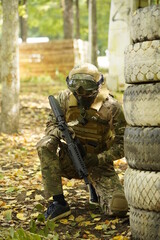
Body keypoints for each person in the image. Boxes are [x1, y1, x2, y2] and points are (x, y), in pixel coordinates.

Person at [37, 63, 128, 220]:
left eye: (86, 85)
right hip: (69, 160)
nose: (80, 91)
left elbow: (124, 145)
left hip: (98, 164)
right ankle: (58, 203)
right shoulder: (64, 99)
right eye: (75, 84)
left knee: (119, 208)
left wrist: (98, 159)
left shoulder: (111, 107)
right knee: (45, 144)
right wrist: (60, 132)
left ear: (98, 85)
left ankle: (94, 188)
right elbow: (50, 127)